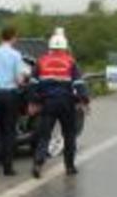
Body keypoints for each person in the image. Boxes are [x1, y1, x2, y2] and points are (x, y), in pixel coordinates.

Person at [31, 28, 89, 178]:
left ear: (50, 47)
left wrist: (34, 101)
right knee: (69, 135)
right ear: (64, 47)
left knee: (44, 136)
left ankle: (38, 163)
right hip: (67, 104)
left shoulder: (41, 61)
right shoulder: (71, 62)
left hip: (48, 103)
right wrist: (84, 101)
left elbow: (34, 84)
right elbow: (78, 83)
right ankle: (69, 167)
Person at [0, 26, 27, 175]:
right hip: (10, 95)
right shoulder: (16, 55)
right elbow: (19, 79)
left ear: (1, 37)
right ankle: (7, 167)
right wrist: (24, 82)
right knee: (9, 131)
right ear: (13, 37)